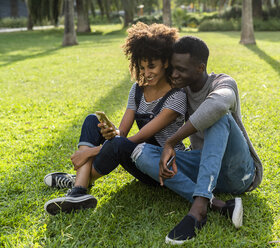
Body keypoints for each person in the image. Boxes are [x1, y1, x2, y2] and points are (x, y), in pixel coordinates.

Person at [43, 22, 187, 215]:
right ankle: (78, 191)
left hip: (160, 168)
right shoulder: (137, 89)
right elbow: (123, 133)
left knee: (118, 144)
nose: (146, 73)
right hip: (137, 154)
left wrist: (89, 152)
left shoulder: (177, 96)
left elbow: (136, 139)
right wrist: (111, 132)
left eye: (151, 66)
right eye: (142, 67)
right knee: (92, 120)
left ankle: (78, 182)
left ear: (166, 62)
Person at [131, 36, 263, 244]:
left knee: (219, 117)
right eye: (172, 68)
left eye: (181, 70)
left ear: (200, 67)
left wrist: (171, 142)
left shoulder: (223, 82)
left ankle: (199, 206)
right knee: (141, 152)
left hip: (238, 172)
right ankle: (217, 204)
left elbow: (218, 106)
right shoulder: (179, 92)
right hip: (204, 167)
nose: (174, 74)